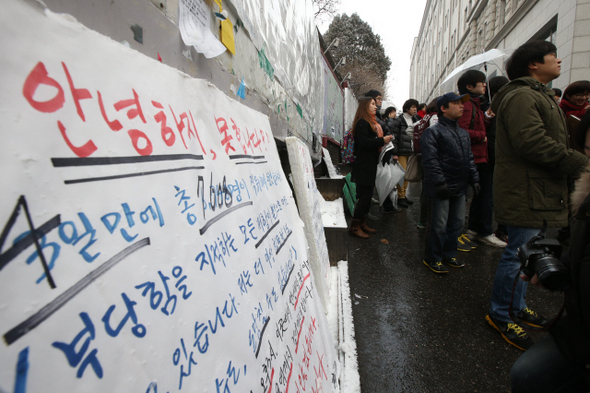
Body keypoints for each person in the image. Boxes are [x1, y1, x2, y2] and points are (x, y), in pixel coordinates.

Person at [486, 40, 588, 350]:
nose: (559, 61)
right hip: (526, 192)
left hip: (538, 191)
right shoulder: (521, 96)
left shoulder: (537, 95)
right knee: (517, 255)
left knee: (527, 255)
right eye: (553, 56)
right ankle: (500, 315)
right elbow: (531, 143)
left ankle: (516, 308)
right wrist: (581, 163)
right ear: (533, 64)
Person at [510, 112, 590, 392]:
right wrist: (556, 262)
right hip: (580, 327)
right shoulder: (585, 195)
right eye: (589, 151)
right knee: (526, 375)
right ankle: (505, 313)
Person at [421, 92, 480, 274]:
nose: (461, 106)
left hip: (460, 187)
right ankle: (433, 258)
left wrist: (475, 179)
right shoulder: (433, 132)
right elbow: (431, 161)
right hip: (441, 188)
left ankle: (449, 254)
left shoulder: (462, 133)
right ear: (443, 108)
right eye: (456, 103)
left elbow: (469, 159)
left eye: (461, 103)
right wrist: (439, 183)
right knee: (439, 224)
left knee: (457, 223)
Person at [457, 70, 508, 249]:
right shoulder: (467, 104)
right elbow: (462, 131)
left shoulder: (477, 104)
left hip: (479, 156)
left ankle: (473, 229)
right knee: (482, 196)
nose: (485, 85)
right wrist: (482, 135)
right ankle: (483, 232)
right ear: (470, 86)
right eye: (481, 82)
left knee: (480, 195)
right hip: (475, 157)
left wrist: (486, 118)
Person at [349, 96, 394, 238]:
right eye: (372, 104)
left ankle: (362, 223)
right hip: (364, 166)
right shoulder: (362, 122)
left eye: (376, 104)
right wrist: (382, 140)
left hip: (369, 165)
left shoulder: (369, 122)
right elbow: (363, 143)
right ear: (365, 106)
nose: (376, 106)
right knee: (364, 197)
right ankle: (355, 227)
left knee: (367, 197)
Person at [487, 75, 511, 244]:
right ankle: (499, 230)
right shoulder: (491, 109)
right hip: (496, 160)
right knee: (493, 196)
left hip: (501, 159)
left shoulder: (507, 106)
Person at [413, 97, 440, 229]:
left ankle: (423, 220)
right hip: (432, 156)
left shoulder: (424, 119)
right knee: (431, 188)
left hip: (422, 155)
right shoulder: (434, 118)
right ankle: (427, 220)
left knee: (425, 188)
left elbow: (411, 130)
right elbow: (437, 136)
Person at [398, 99, 421, 207]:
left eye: (416, 107)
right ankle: (400, 196)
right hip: (402, 150)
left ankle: (404, 193)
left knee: (408, 173)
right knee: (401, 174)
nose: (415, 109)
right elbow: (395, 136)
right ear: (407, 108)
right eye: (412, 107)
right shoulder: (399, 120)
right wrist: (395, 152)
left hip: (412, 150)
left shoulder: (417, 119)